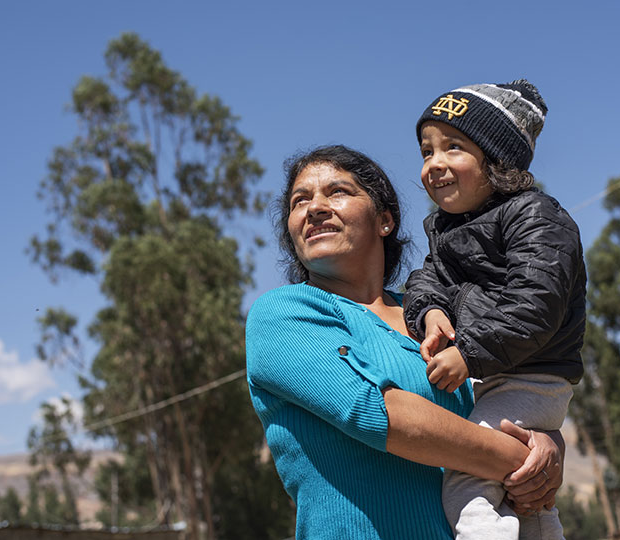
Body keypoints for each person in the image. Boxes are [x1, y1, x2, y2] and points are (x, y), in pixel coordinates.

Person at [245, 144, 565, 539]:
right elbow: (381, 414)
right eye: (300, 200)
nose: (315, 208)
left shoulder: (438, 315)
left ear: (385, 220)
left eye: (338, 191)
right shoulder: (282, 314)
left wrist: (548, 444)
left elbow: (508, 392)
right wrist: (524, 461)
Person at [403, 79, 586, 539]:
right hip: (501, 371)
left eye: (453, 148)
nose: (434, 164)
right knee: (522, 489)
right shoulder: (445, 231)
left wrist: (468, 353)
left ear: (498, 160)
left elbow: (535, 305)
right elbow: (426, 280)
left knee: (470, 471)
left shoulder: (536, 215)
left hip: (532, 373)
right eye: (427, 151)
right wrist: (428, 312)